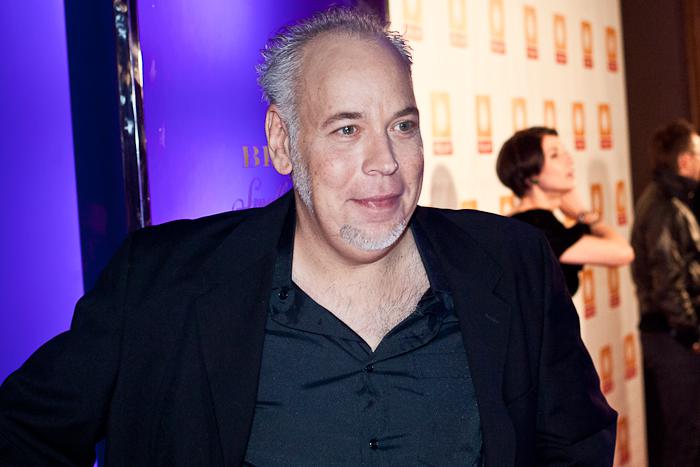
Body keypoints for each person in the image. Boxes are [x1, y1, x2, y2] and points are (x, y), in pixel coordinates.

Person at [0, 8, 616, 466]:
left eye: (402, 126)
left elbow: (575, 444)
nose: (386, 162)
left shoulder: (512, 264)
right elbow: (24, 433)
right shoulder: (164, 283)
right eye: (347, 129)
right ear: (281, 142)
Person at [631, 119, 700, 467]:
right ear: (684, 161)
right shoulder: (664, 206)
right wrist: (690, 332)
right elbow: (668, 279)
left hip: (673, 335)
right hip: (672, 337)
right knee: (684, 434)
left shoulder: (672, 200)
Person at [496, 127, 634, 295]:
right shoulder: (535, 226)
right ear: (531, 175)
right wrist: (585, 215)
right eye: (554, 155)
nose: (568, 160)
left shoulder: (529, 221)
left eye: (565, 152)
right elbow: (623, 253)